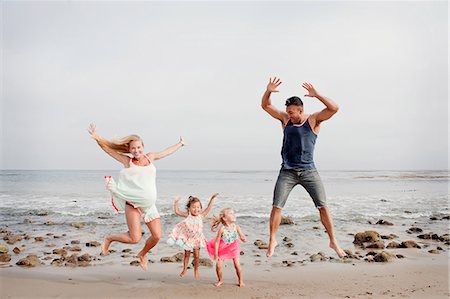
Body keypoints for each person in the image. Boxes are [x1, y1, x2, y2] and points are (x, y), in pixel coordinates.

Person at [261, 77, 346, 258]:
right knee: (277, 206)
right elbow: (266, 106)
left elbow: (334, 108)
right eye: (287, 112)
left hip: (309, 171)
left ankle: (333, 241)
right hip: (287, 172)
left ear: (301, 110)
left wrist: (317, 95)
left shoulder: (313, 120)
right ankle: (272, 240)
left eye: (292, 112)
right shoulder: (285, 120)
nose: (289, 115)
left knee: (323, 206)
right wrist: (268, 91)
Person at [87, 123, 185, 271]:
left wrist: (180, 144)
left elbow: (165, 152)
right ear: (129, 150)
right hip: (132, 204)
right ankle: (109, 238)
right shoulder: (127, 161)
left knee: (157, 236)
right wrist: (97, 138)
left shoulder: (150, 157)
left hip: (149, 206)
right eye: (133, 148)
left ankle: (142, 254)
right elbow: (108, 151)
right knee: (135, 238)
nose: (136, 150)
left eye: (139, 147)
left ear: (143, 147)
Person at [167, 193, 218, 279]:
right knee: (187, 254)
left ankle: (196, 270)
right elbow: (177, 212)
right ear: (189, 208)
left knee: (196, 256)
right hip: (188, 239)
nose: (196, 209)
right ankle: (184, 269)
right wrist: (176, 202)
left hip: (197, 239)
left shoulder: (201, 216)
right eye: (193, 207)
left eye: (198, 207)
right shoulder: (188, 215)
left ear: (200, 208)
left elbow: (208, 208)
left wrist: (212, 199)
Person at [206, 208, 246, 287]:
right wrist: (215, 254)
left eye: (233, 213)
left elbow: (241, 235)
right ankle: (220, 280)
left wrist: (243, 238)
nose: (233, 214)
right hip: (223, 248)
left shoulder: (236, 227)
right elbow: (217, 242)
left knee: (237, 265)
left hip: (234, 247)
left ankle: (240, 281)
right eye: (231, 213)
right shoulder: (222, 229)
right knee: (218, 265)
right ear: (225, 218)